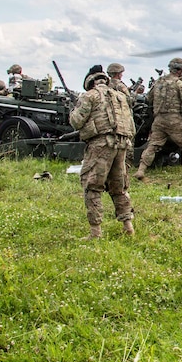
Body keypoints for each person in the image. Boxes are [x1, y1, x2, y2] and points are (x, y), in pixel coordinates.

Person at [69, 70, 136, 238]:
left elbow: (76, 122)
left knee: (92, 186)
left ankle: (95, 232)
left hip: (100, 144)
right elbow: (131, 127)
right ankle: (128, 227)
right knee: (119, 187)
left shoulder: (89, 96)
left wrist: (72, 110)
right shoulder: (120, 96)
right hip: (122, 144)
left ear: (90, 83)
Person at [133, 57, 182, 180]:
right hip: (175, 119)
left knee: (153, 145)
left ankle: (140, 170)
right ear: (181, 71)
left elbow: (149, 98)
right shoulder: (180, 84)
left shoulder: (158, 82)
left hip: (159, 120)